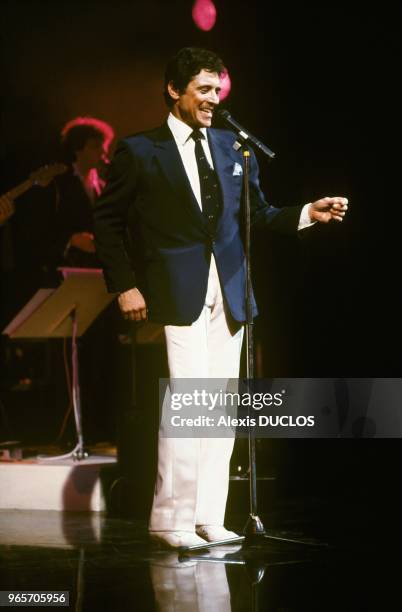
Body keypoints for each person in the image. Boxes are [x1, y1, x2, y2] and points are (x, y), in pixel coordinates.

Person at [93, 47, 348, 549]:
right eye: (204, 90)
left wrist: (305, 214)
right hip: (177, 287)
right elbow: (107, 222)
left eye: (218, 91)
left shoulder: (234, 147)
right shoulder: (141, 150)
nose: (213, 100)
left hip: (230, 289)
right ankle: (171, 519)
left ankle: (209, 515)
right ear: (175, 89)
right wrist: (124, 284)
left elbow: (260, 213)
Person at [54, 116, 114, 268]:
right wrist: (70, 239)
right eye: (95, 146)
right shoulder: (58, 184)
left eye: (103, 145)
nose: (103, 151)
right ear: (77, 149)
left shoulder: (103, 186)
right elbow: (43, 227)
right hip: (67, 269)